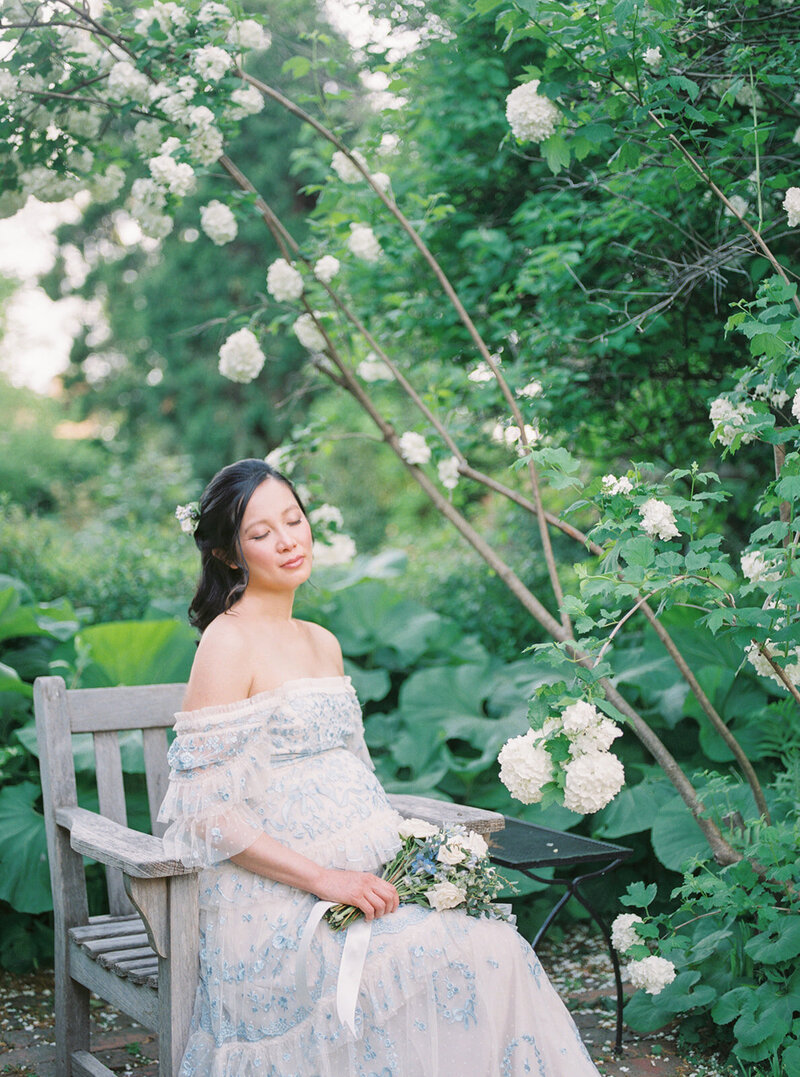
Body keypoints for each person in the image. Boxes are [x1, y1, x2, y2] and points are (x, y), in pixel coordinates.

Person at [159, 457, 602, 1076]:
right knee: (442, 952)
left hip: (374, 875)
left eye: (294, 520)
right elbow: (205, 812)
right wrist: (324, 879)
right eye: (262, 533)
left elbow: (354, 767)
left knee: (490, 943)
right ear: (231, 555)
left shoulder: (321, 640)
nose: (288, 540)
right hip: (280, 900)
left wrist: (407, 857)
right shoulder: (227, 642)